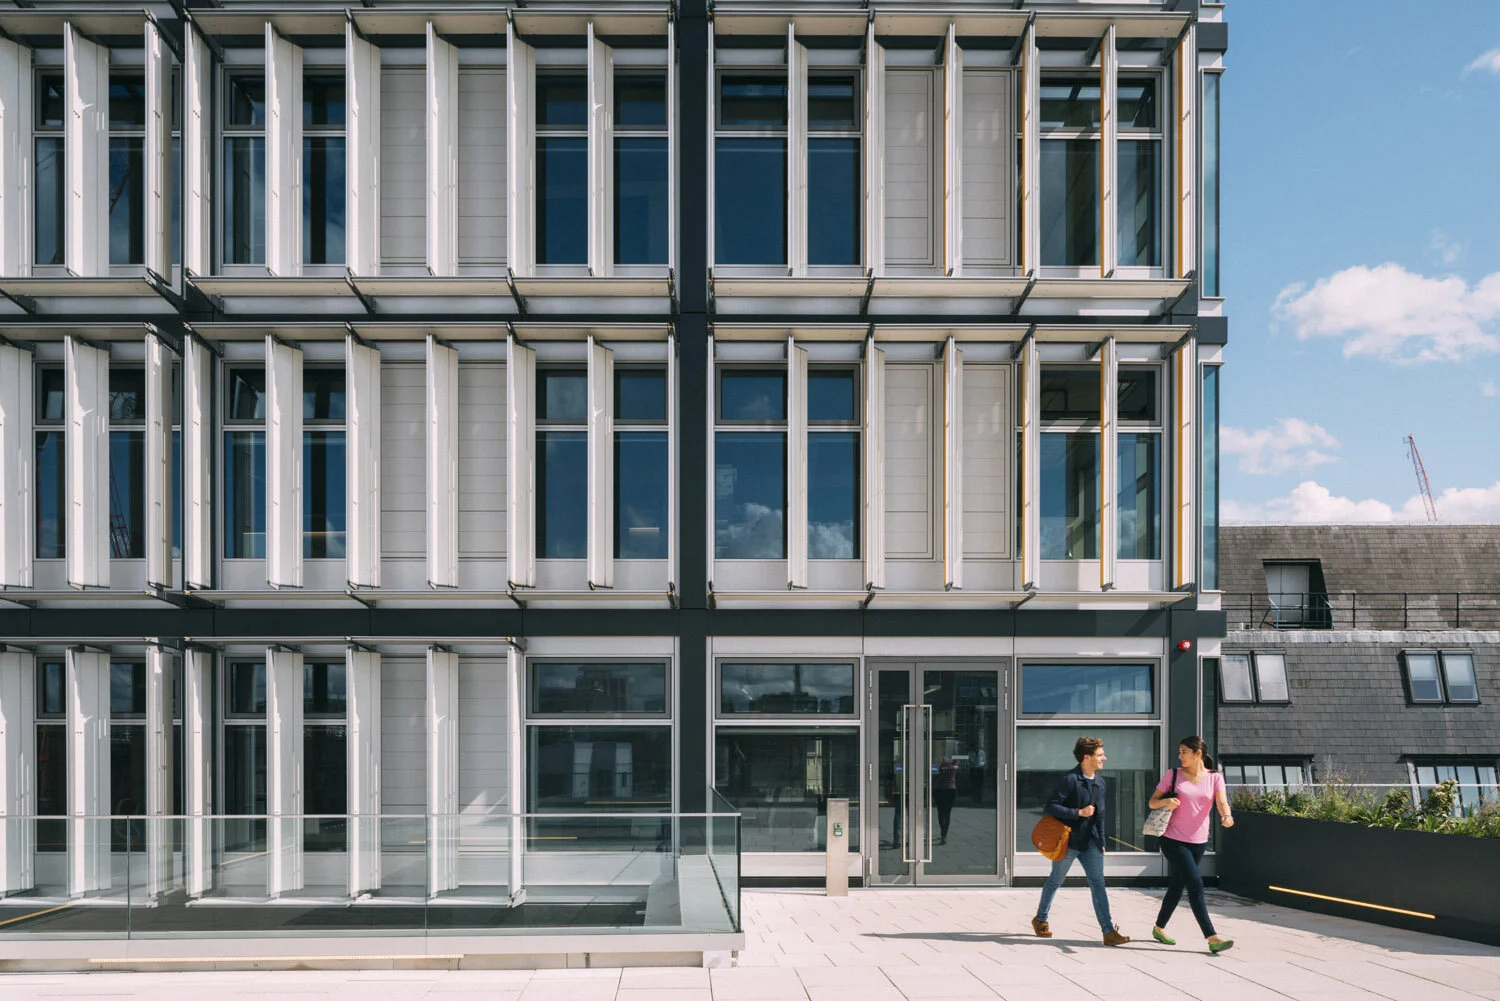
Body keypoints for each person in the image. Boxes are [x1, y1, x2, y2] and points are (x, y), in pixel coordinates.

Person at [1031, 737, 1130, 945]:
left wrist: (1102, 840)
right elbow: (1051, 806)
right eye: (1100, 754)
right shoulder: (1069, 780)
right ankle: (1040, 919)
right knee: (1055, 881)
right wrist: (1078, 812)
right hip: (1068, 842)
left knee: (1098, 884)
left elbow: (1100, 815)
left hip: (1091, 842)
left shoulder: (1100, 782)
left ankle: (1108, 931)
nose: (1105, 758)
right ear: (1087, 757)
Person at [1148, 736, 1236, 954]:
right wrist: (1166, 802)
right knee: (1195, 883)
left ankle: (1159, 928)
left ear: (1198, 754)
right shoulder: (1173, 775)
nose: (1180, 756)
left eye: (1184, 751)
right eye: (1179, 752)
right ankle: (1212, 936)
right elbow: (1152, 802)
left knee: (1178, 885)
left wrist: (1227, 816)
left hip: (1199, 841)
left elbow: (1222, 802)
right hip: (1172, 839)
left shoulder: (1215, 777)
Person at [934, 757, 959, 844]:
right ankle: (944, 835)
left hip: (940, 789)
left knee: (940, 812)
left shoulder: (940, 763)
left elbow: (934, 773)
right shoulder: (955, 762)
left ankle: (943, 833)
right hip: (951, 789)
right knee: (947, 813)